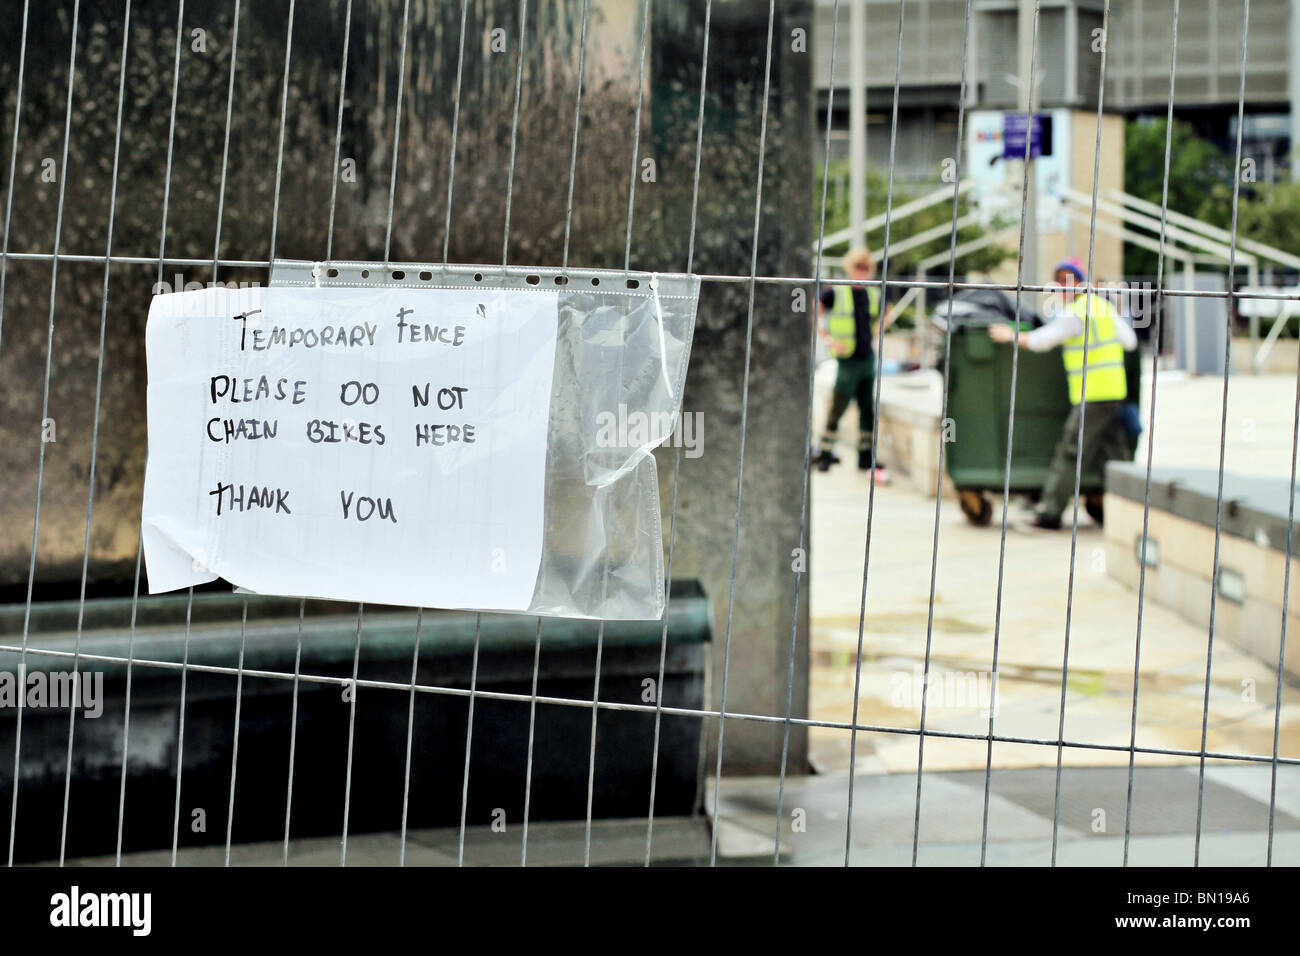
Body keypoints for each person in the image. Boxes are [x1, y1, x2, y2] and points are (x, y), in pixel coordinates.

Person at [988, 257, 1137, 529]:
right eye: (1059, 282)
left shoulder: (1075, 313)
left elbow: (1041, 341)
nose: (1062, 287)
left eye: (1067, 281)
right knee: (1116, 456)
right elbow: (1130, 342)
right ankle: (1134, 512)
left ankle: (1050, 513)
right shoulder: (1102, 308)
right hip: (1114, 393)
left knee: (1071, 451)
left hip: (1092, 395)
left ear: (1080, 284)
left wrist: (1008, 335)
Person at [814, 248, 896, 482]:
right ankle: (825, 454)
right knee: (837, 409)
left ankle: (865, 459)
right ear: (850, 268)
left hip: (866, 358)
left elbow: (884, 314)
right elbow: (815, 311)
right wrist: (828, 339)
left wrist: (878, 327)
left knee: (867, 410)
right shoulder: (837, 292)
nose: (861, 272)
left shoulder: (871, 294)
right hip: (847, 361)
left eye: (865, 268)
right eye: (857, 267)